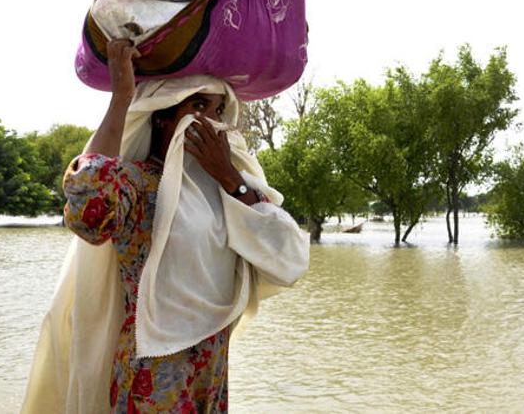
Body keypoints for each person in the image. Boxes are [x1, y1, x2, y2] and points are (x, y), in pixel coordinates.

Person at [22, 40, 310, 413]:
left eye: (217, 109)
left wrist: (229, 177)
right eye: (197, 107)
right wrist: (121, 99)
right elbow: (88, 211)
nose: (210, 121)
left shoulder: (229, 189)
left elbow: (289, 259)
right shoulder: (140, 185)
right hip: (153, 376)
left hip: (209, 371)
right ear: (163, 117)